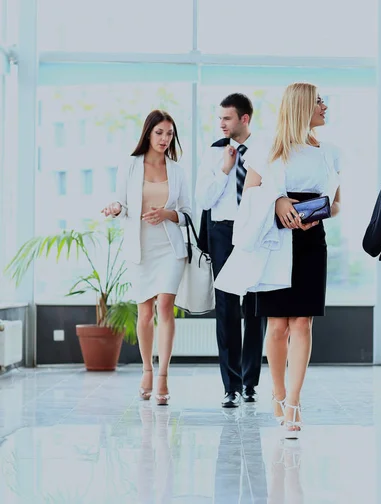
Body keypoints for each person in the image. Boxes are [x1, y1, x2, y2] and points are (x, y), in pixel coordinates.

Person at [238, 82, 342, 438]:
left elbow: (338, 202)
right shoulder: (269, 148)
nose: (324, 107)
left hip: (311, 238)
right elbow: (249, 195)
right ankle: (278, 392)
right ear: (301, 106)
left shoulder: (329, 152)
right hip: (275, 237)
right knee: (277, 325)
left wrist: (319, 214)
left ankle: (295, 400)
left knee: (303, 324)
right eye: (319, 101)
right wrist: (279, 202)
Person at [101, 109, 192, 406]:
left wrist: (166, 213)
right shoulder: (130, 165)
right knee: (144, 313)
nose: (165, 139)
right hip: (139, 248)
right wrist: (115, 208)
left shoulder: (177, 170)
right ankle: (147, 370)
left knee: (165, 306)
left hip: (169, 247)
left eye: (169, 134)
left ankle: (163, 376)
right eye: (160, 133)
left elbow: (188, 213)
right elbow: (123, 204)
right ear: (148, 134)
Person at [196, 93, 266, 408]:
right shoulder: (212, 154)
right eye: (219, 118)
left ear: (244, 119)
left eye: (227, 118)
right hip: (222, 232)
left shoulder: (263, 152)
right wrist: (225, 169)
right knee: (226, 307)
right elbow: (204, 201)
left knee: (254, 307)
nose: (221, 124)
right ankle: (231, 386)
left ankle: (250, 383)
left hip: (253, 231)